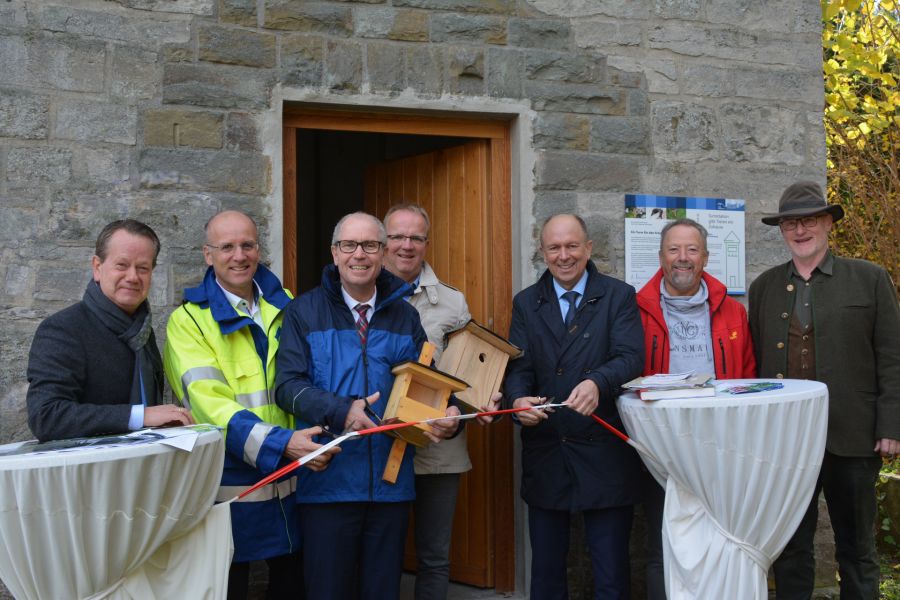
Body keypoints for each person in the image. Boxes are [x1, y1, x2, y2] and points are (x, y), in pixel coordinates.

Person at [275, 211, 460, 600]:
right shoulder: (303, 313)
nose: (359, 255)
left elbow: (428, 382)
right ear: (334, 253)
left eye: (370, 245)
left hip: (390, 487)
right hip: (328, 485)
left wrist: (452, 414)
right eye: (349, 245)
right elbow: (287, 388)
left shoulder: (405, 316)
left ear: (382, 253)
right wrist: (341, 411)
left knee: (382, 592)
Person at [163, 210, 334, 600]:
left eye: (247, 245)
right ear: (208, 255)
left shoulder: (288, 303)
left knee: (293, 585)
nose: (239, 255)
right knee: (230, 587)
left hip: (295, 477)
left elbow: (311, 379)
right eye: (227, 247)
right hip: (230, 483)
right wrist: (281, 444)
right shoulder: (187, 321)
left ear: (259, 249)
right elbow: (210, 406)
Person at [749, 181, 900, 599]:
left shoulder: (869, 278)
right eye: (790, 223)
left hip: (852, 436)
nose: (800, 230)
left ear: (828, 222)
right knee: (791, 547)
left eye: (809, 220)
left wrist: (891, 423)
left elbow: (892, 357)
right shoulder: (764, 288)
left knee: (858, 549)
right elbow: (755, 366)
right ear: (782, 230)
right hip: (785, 443)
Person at [504, 213, 645, 599]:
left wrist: (597, 381)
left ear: (588, 248)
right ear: (542, 250)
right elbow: (519, 367)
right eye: (554, 247)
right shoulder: (527, 303)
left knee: (611, 573)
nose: (563, 256)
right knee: (547, 575)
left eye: (571, 246)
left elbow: (632, 357)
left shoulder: (618, 295)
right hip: (548, 448)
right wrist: (517, 400)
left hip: (604, 449)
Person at [382, 203, 500, 599]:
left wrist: (467, 408)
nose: (406, 245)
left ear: (427, 244)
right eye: (397, 236)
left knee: (434, 554)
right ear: (383, 242)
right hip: (381, 442)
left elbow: (470, 372)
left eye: (415, 237)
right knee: (381, 551)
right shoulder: (359, 293)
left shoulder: (452, 302)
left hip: (439, 444)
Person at [636, 218, 756, 599]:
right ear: (660, 257)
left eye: (691, 250)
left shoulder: (733, 312)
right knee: (662, 543)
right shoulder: (636, 311)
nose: (682, 258)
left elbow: (748, 377)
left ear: (705, 256)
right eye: (674, 250)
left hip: (721, 447)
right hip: (661, 446)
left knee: (721, 541)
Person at [27, 219, 193, 442]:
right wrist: (140, 416)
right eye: (122, 265)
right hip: (90, 473)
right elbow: (46, 417)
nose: (133, 277)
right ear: (97, 267)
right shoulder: (63, 329)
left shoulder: (142, 331)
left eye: (142, 268)